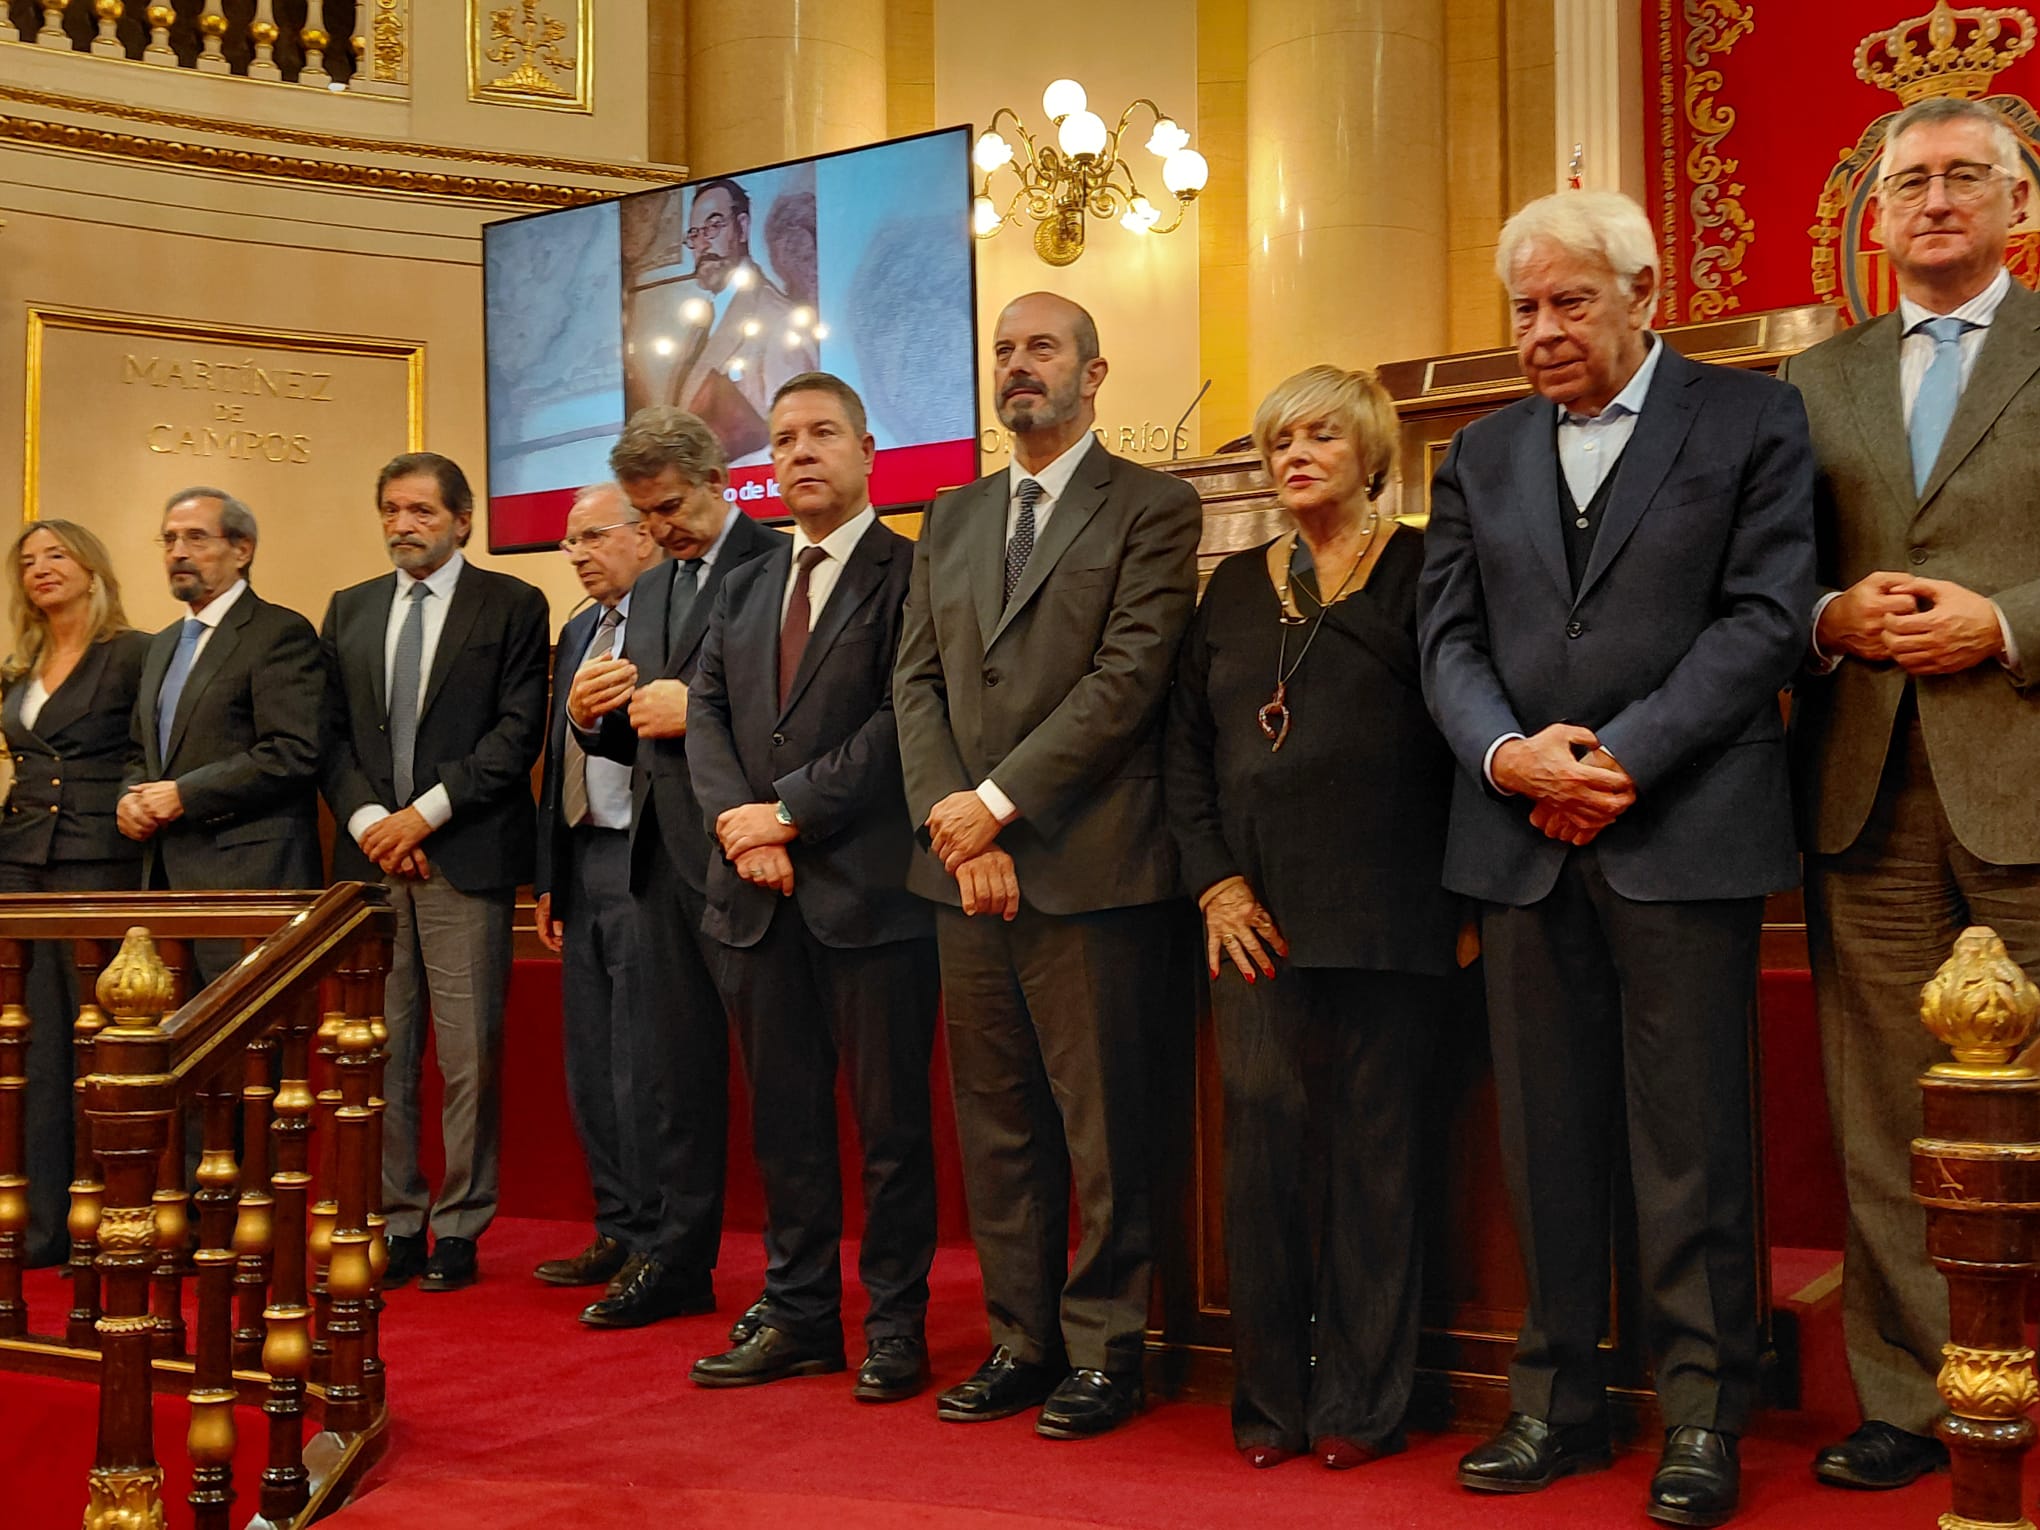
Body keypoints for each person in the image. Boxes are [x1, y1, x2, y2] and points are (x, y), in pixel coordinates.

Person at [1416, 190, 1815, 1528]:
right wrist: (1509, 755)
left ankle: (1702, 1415)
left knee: (1691, 1141)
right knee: (1545, 1138)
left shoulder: (1751, 418)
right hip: (1520, 833)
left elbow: (1764, 619)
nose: (1541, 330)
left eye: (1570, 300)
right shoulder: (1476, 453)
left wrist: (1623, 758)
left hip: (1683, 827)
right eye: (1523, 308)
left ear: (1644, 293)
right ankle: (1556, 1399)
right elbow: (1448, 644)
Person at [1779, 95, 2040, 1492]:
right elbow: (1759, 581)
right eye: (1910, 183)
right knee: (1884, 1110)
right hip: (1866, 791)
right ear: (1874, 219)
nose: (1934, 200)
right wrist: (1832, 617)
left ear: (2018, 206)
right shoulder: (1813, 385)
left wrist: (2003, 622)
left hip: (2027, 771)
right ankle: (1910, 1392)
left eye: (1963, 178)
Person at [893, 291, 1202, 1439]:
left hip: (1093, 863)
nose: (1019, 368)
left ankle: (1107, 1351)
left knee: (1104, 1128)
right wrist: (950, 815)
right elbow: (914, 681)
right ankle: (1020, 1342)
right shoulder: (953, 513)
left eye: (1042, 350)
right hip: (960, 871)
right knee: (999, 1124)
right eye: (1005, 352)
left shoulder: (1154, 507)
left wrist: (997, 806)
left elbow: (1128, 681)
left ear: (1094, 372)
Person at [1165, 366, 1461, 1470]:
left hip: (1395, 909)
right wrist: (1214, 883)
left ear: (1372, 451)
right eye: (1279, 438)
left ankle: (1362, 1404)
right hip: (1253, 917)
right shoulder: (1235, 586)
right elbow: (1184, 755)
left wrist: (1465, 900)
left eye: (1321, 435)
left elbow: (1470, 734)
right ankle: (1268, 1403)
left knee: (1380, 1156)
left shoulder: (1429, 569)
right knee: (1264, 1145)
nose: (1295, 453)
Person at [687, 373, 939, 1401]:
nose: (799, 453)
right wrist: (741, 831)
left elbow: (901, 723)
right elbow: (704, 712)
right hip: (756, 899)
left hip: (870, 897)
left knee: (889, 1135)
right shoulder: (743, 583)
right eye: (783, 438)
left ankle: (894, 1327)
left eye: (822, 434)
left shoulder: (912, 571)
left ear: (869, 450)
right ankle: (798, 1316)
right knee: (785, 1126)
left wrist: (788, 812)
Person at [567, 405, 782, 1328]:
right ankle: (676, 1258)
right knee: (671, 1080)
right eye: (645, 515)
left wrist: (684, 705)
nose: (658, 529)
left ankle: (795, 1282)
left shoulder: (777, 565)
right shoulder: (651, 592)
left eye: (669, 507)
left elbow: (782, 717)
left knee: (778, 1082)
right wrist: (589, 717)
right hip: (658, 862)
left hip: (748, 853)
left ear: (717, 479)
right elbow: (631, 739)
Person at [319, 452, 550, 1294]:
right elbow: (331, 738)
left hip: (466, 852)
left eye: (419, 510)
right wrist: (378, 823)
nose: (401, 525)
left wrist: (428, 814)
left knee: (469, 1056)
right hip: (373, 864)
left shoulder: (513, 604)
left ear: (462, 520)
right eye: (390, 509)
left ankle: (460, 1225)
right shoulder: (349, 609)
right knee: (380, 1053)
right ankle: (399, 1218)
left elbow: (516, 732)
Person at [0, 520, 149, 1267]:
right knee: (30, 1048)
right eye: (28, 561)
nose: (41, 569)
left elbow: (144, 753)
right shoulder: (21, 662)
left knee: (91, 1045)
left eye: (56, 555)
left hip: (97, 864)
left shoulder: (131, 654)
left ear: (92, 568)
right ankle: (37, 1222)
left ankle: (100, 1219)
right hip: (20, 867)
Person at [530, 483, 666, 1293]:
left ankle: (658, 1236)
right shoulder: (578, 629)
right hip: (582, 864)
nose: (576, 553)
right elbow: (559, 763)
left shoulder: (668, 620)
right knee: (590, 1064)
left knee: (640, 1064)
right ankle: (616, 1228)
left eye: (591, 536)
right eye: (568, 542)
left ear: (643, 536)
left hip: (645, 860)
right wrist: (550, 877)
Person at [121, 488, 323, 931]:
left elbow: (293, 751)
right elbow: (141, 753)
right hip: (165, 880)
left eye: (196, 538)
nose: (178, 553)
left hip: (250, 877)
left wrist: (186, 795)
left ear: (242, 549)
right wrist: (129, 799)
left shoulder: (278, 632)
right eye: (169, 540)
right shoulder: (162, 644)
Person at [624, 178, 817, 458]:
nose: (702, 243)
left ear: (742, 227)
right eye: (694, 234)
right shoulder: (705, 320)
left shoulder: (777, 319)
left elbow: (792, 438)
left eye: (714, 226)